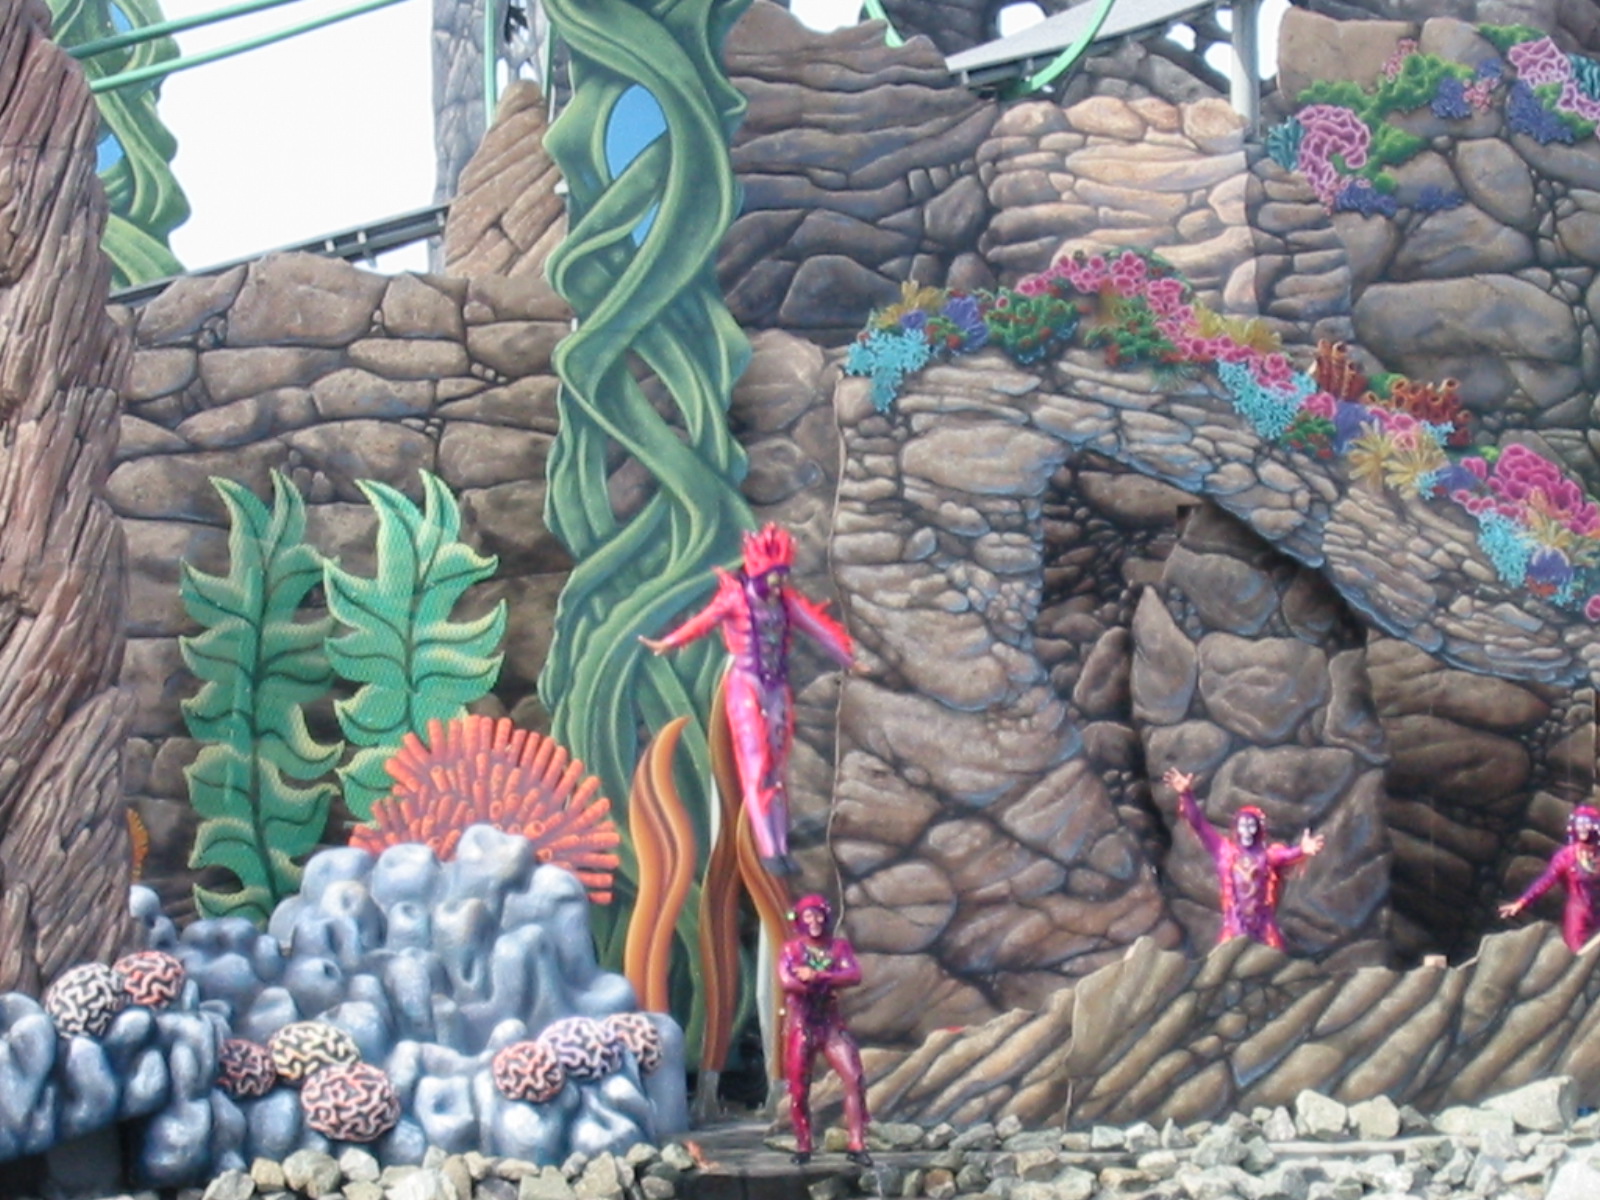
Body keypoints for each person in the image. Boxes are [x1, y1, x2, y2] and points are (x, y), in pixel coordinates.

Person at [641, 524, 856, 874]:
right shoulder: (736, 599)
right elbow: (704, 621)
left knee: (776, 771)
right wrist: (670, 642)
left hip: (776, 689)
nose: (779, 582)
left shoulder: (785, 601)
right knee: (756, 766)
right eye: (774, 575)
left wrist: (849, 659)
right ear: (758, 571)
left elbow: (819, 629)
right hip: (746, 687)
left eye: (783, 574)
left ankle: (780, 846)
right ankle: (769, 849)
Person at [1163, 767, 1325, 951]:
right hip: (1234, 926)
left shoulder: (1266, 856)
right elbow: (1198, 824)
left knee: (1272, 957)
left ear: (1258, 829)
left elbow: (1286, 856)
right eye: (1243, 825)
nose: (1247, 830)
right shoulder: (1223, 850)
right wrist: (1186, 794)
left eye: (1251, 825)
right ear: (1236, 828)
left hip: (1264, 927)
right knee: (1227, 958)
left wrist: (1302, 849)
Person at [777, 894, 870, 1166]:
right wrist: (827, 982)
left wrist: (818, 976)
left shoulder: (839, 947)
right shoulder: (791, 950)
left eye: (818, 914)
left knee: (853, 1077)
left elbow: (853, 975)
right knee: (798, 1087)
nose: (814, 921)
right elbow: (788, 982)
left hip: (830, 1024)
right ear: (800, 919)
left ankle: (857, 1143)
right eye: (808, 915)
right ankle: (803, 1144)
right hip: (801, 1024)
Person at [1499, 805, 1600, 952]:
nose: (1583, 829)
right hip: (1579, 912)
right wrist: (1521, 902)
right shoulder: (1567, 856)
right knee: (1577, 953)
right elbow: (1546, 881)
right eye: (1579, 825)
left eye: (1587, 824)